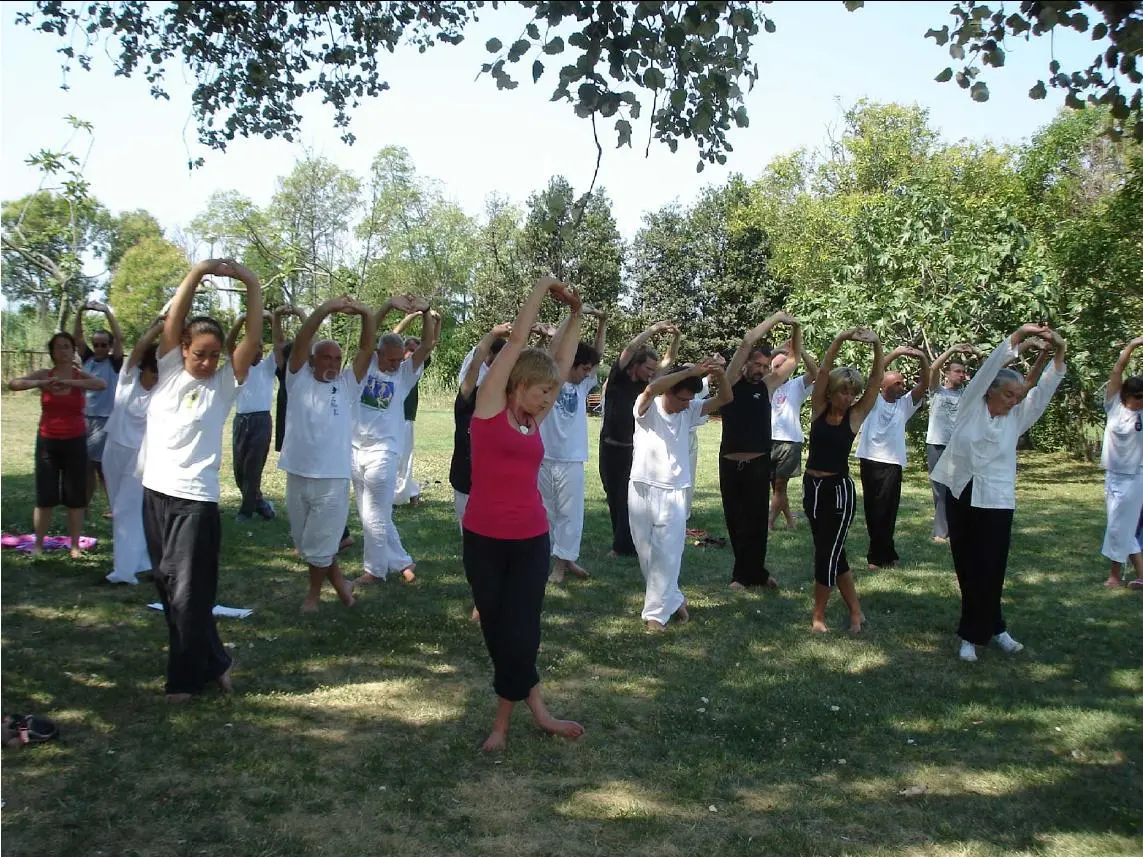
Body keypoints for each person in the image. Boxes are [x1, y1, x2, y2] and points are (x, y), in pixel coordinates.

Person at [463, 275, 585, 752]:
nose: (548, 401)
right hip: (484, 539)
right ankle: (537, 710)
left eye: (553, 395)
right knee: (498, 630)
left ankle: (505, 722)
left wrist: (575, 315)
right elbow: (517, 339)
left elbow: (564, 359)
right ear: (518, 385)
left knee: (522, 630)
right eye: (542, 392)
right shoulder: (490, 405)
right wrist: (544, 286)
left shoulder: (534, 418)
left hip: (531, 538)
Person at [140, 258, 263, 701]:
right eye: (200, 353)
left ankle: (184, 679)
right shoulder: (170, 369)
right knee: (169, 587)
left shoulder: (227, 381)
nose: (209, 361)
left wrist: (248, 280)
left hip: (195, 501)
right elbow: (177, 315)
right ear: (182, 349)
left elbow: (251, 335)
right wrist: (199, 272)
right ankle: (214, 660)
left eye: (214, 354)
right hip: (155, 495)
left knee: (189, 593)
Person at [931, 324, 1067, 662]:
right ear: (990, 391)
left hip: (996, 498)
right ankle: (985, 629)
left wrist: (1058, 353)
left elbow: (1043, 388)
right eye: (1008, 395)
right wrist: (1019, 335)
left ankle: (982, 631)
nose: (1013, 401)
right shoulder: (970, 406)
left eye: (1017, 397)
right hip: (961, 491)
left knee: (992, 566)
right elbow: (991, 367)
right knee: (968, 565)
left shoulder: (1016, 417)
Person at [279, 295, 375, 612]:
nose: (333, 364)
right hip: (298, 471)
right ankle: (344, 590)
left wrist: (363, 312)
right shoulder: (297, 379)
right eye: (326, 358)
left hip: (333, 477)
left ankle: (313, 596)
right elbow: (304, 337)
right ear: (311, 361)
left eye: (337, 359)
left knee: (320, 542)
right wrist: (325, 310)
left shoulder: (348, 384)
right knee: (309, 542)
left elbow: (366, 350)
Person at [631, 359, 733, 629]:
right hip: (641, 486)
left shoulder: (690, 410)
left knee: (668, 553)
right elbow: (651, 389)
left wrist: (720, 375)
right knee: (647, 555)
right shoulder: (647, 407)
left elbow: (725, 397)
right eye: (683, 399)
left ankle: (655, 615)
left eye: (691, 399)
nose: (687, 404)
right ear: (670, 391)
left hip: (675, 490)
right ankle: (674, 598)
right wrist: (690, 371)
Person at [351, 296, 438, 588]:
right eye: (389, 358)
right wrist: (387, 305)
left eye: (398, 358)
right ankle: (402, 561)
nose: (393, 364)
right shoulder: (366, 365)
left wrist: (425, 312)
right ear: (378, 353)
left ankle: (374, 571)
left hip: (384, 450)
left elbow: (426, 345)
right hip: (354, 448)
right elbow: (368, 333)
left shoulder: (405, 375)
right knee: (367, 512)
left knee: (376, 510)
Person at [803, 327, 884, 633]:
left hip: (839, 491)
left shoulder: (855, 415)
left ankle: (819, 616)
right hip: (812, 489)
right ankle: (856, 611)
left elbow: (876, 383)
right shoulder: (819, 409)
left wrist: (876, 345)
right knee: (834, 553)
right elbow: (823, 370)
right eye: (843, 391)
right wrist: (838, 340)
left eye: (852, 392)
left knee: (827, 552)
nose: (848, 396)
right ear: (832, 391)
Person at [719, 311, 802, 591]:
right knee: (736, 519)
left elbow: (793, 359)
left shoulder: (766, 386)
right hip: (730, 464)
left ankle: (751, 574)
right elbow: (746, 342)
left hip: (758, 463)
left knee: (756, 521)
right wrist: (777, 318)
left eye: (765, 365)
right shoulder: (729, 382)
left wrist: (797, 329)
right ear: (746, 364)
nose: (761, 369)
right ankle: (745, 573)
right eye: (756, 364)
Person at [8, 332, 107, 558]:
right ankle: (39, 545)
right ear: (52, 352)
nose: (63, 351)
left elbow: (100, 384)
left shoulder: (79, 375)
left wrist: (69, 382)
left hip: (75, 441)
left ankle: (74, 546)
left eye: (67, 347)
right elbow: (14, 384)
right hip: (47, 443)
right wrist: (43, 383)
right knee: (45, 497)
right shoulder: (45, 375)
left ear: (73, 351)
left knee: (75, 498)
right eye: (58, 347)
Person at [599, 320, 680, 558]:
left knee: (627, 497)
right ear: (635, 366)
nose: (652, 373)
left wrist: (675, 337)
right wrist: (654, 329)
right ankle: (622, 540)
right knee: (612, 493)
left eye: (654, 370)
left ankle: (622, 546)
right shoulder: (617, 378)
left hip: (632, 450)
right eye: (648, 368)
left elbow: (670, 360)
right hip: (609, 447)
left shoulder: (648, 384)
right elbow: (631, 348)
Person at [541, 306, 607, 584]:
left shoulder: (582, 386)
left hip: (572, 459)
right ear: (570, 364)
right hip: (542, 457)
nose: (587, 374)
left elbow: (598, 354)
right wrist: (572, 314)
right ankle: (557, 558)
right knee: (546, 511)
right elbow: (556, 349)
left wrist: (601, 323)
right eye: (583, 368)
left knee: (570, 514)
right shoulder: (549, 380)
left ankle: (563, 564)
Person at [856, 345, 932, 569]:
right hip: (870, 460)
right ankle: (881, 554)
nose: (902, 386)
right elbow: (874, 374)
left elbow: (925, 384)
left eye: (902, 382)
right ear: (884, 386)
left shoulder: (905, 404)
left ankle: (882, 555)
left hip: (892, 463)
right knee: (873, 509)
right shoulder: (873, 401)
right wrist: (896, 353)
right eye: (897, 383)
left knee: (888, 510)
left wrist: (921, 358)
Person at [101, 318, 163, 584]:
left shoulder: (164, 393)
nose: (156, 377)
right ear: (143, 369)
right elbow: (138, 348)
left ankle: (123, 572)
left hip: (140, 459)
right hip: (113, 450)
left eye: (161, 373)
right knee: (120, 507)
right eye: (153, 371)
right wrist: (159, 328)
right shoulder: (127, 381)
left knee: (126, 510)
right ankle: (141, 561)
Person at [450, 323, 511, 528]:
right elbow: (476, 363)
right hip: (464, 475)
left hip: (492, 477)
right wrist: (493, 333)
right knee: (467, 527)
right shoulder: (468, 395)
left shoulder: (502, 401)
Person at [925, 344, 983, 543]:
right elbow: (932, 369)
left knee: (957, 488)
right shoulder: (937, 391)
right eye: (957, 371)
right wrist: (952, 350)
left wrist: (979, 355)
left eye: (963, 372)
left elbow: (986, 380)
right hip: (936, 444)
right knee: (939, 489)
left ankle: (957, 527)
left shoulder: (967, 395)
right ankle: (941, 532)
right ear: (947, 374)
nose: (961, 375)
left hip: (958, 447)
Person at [225, 310, 277, 522]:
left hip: (261, 421)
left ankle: (245, 511)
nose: (256, 352)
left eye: (259, 348)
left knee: (253, 468)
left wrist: (272, 320)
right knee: (239, 470)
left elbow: (280, 344)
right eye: (251, 347)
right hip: (241, 420)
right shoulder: (240, 366)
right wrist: (240, 320)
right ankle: (260, 503)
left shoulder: (267, 367)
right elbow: (229, 344)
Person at [1100, 335, 1143, 588]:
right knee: (1118, 526)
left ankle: (1115, 577)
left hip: (1136, 477)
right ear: (1127, 395)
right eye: (1139, 397)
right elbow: (1117, 370)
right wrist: (1133, 345)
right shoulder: (1113, 405)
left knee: (1119, 526)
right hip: (1113, 475)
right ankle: (1134, 576)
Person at [74, 301, 125, 513]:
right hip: (85, 419)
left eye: (104, 344)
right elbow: (77, 337)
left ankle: (113, 506)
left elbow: (120, 337)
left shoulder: (115, 362)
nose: (100, 348)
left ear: (110, 346)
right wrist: (79, 311)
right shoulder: (88, 359)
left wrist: (107, 311)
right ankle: (84, 505)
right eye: (97, 344)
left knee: (101, 467)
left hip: (105, 420)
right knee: (86, 466)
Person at [768, 342, 819, 531]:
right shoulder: (765, 384)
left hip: (789, 442)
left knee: (780, 486)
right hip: (767, 440)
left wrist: (800, 352)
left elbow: (816, 373)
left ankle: (769, 523)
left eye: (783, 365)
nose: (779, 369)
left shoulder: (796, 385)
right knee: (777, 487)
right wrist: (775, 351)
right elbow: (751, 364)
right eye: (775, 366)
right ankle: (791, 522)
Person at [393, 310, 431, 507]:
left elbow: (429, 344)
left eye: (413, 350)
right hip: (388, 418)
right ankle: (408, 492)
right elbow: (392, 336)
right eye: (406, 348)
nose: (409, 353)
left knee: (404, 459)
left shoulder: (413, 369)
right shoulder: (390, 365)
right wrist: (411, 316)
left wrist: (432, 319)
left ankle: (406, 494)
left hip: (406, 417)